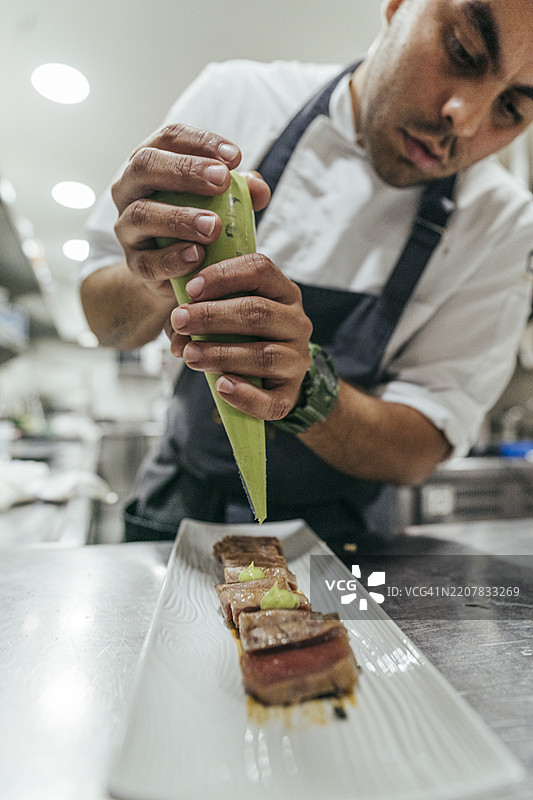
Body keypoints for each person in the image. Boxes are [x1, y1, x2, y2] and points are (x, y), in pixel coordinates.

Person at [81, 0, 533, 558]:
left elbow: (420, 446)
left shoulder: (501, 222)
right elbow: (109, 328)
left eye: (512, 107)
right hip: (178, 507)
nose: (463, 120)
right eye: (462, 51)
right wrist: (158, 273)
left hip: (344, 537)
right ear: (397, 7)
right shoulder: (236, 99)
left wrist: (305, 389)